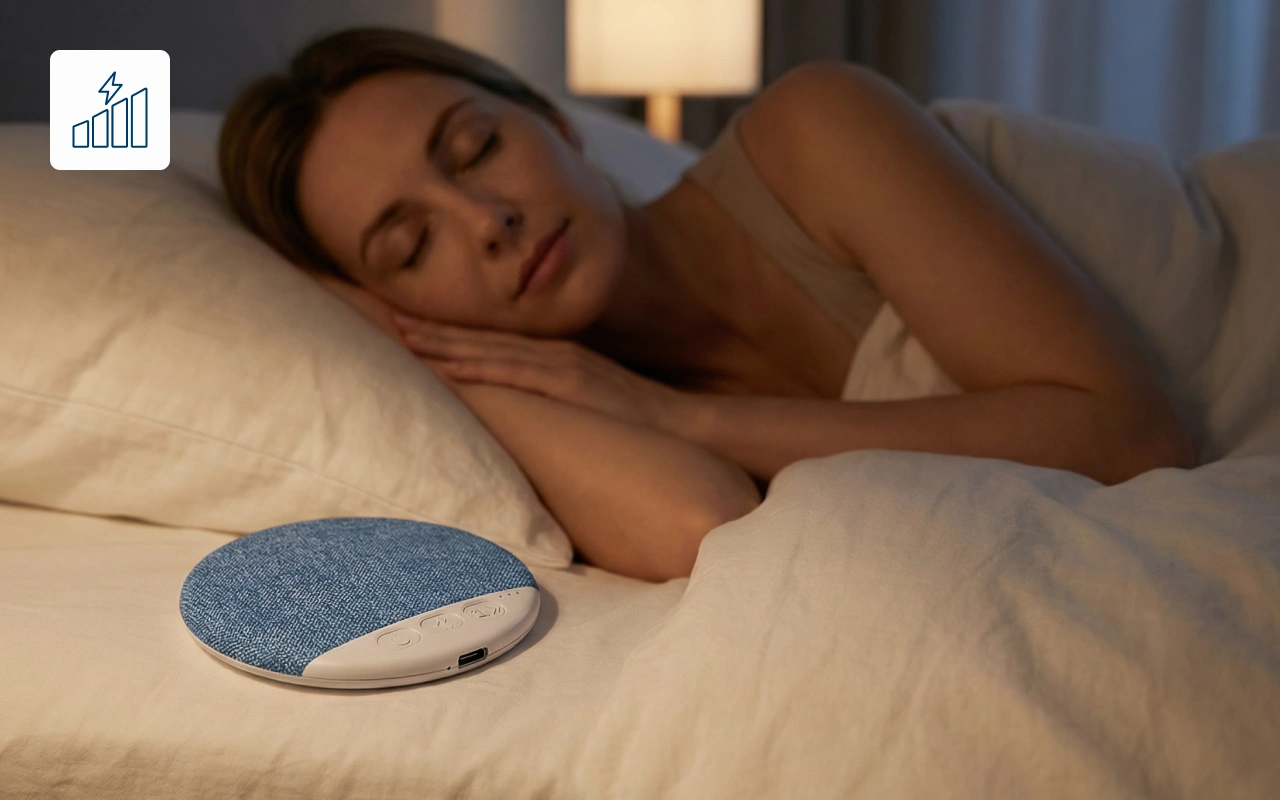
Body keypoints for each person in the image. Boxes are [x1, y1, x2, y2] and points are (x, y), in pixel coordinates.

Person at [218, 27, 1195, 582]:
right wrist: (413, 353)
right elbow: (700, 518)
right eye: (411, 246)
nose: (486, 220)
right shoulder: (593, 408)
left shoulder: (814, 130)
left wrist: (683, 416)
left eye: (477, 148)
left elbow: (1131, 437)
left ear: (558, 123)